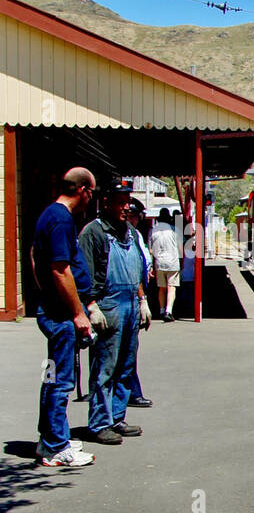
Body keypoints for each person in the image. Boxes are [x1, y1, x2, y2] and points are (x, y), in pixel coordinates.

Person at [31, 167, 98, 467]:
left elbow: (35, 257)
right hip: (61, 317)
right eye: (91, 192)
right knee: (61, 380)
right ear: (82, 190)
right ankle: (57, 447)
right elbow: (61, 269)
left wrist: (43, 291)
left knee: (51, 375)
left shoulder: (49, 215)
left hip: (51, 309)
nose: (90, 198)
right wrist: (77, 312)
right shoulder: (61, 220)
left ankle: (50, 438)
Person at [78, 182, 151, 445]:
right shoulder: (93, 233)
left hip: (131, 302)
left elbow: (138, 268)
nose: (126, 207)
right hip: (108, 304)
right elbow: (83, 273)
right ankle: (99, 422)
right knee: (105, 368)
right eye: (120, 202)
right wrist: (90, 306)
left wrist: (142, 300)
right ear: (106, 203)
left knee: (125, 366)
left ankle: (117, 416)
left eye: (127, 201)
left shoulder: (130, 231)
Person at [125, 200, 153, 408]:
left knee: (129, 350)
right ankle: (131, 393)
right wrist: (142, 298)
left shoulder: (134, 234)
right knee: (123, 351)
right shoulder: (123, 235)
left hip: (134, 296)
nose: (135, 219)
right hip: (124, 298)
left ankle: (131, 392)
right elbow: (131, 270)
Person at [149, 207, 181, 321]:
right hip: (172, 262)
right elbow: (181, 248)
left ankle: (161, 310)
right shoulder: (174, 230)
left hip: (159, 263)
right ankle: (168, 311)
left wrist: (152, 266)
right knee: (171, 287)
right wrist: (181, 262)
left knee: (161, 288)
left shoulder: (153, 231)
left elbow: (151, 250)